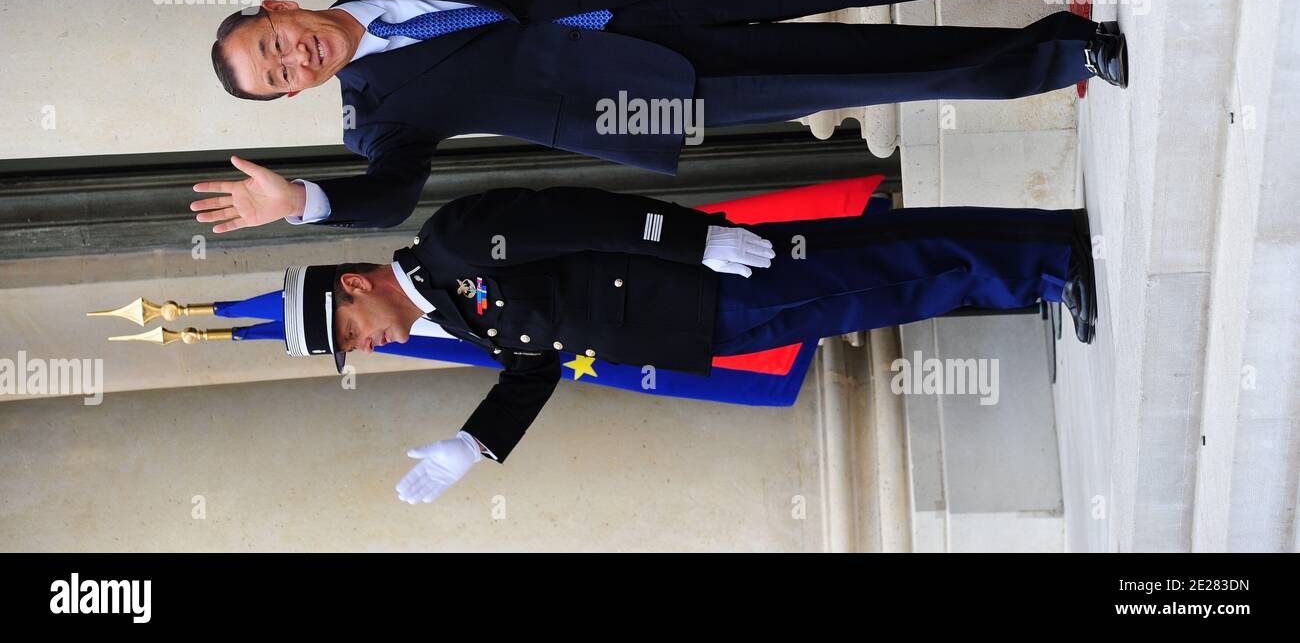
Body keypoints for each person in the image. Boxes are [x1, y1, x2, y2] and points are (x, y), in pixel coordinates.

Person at [194, 0, 1126, 231]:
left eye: (275, 43)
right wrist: (304, 201)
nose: (295, 58)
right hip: (646, 95)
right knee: (871, 69)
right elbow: (394, 194)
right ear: (302, 91)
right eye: (282, 77)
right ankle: (1068, 53)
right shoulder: (380, 119)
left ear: (281, 6)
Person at [275, 185, 1100, 504]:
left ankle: (1049, 265)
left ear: (353, 285)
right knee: (875, 271)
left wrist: (691, 239)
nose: (373, 343)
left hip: (696, 282)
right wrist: (474, 440)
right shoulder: (449, 313)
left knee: (883, 278)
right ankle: (1043, 242)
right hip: (690, 327)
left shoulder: (451, 244)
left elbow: (581, 214)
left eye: (353, 333)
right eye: (355, 350)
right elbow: (535, 358)